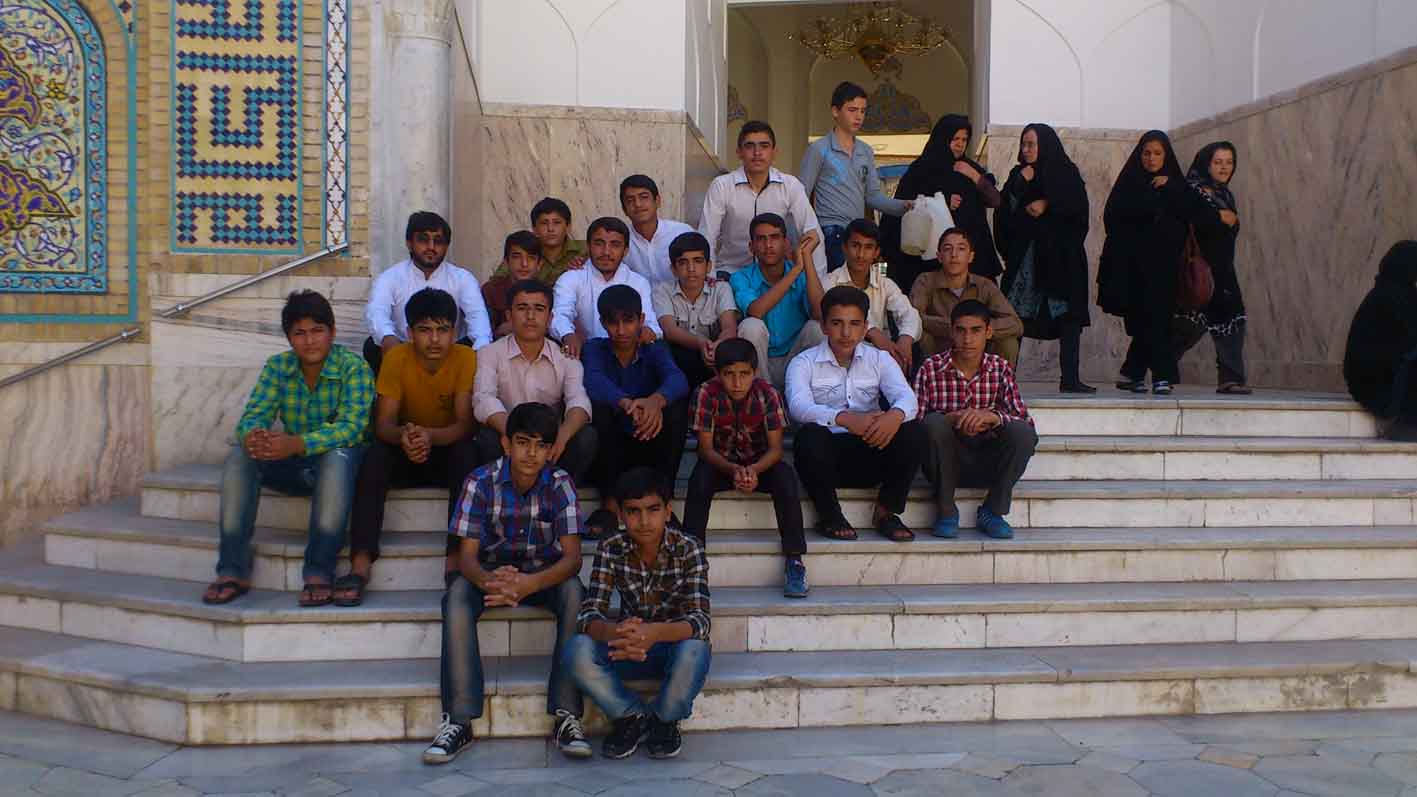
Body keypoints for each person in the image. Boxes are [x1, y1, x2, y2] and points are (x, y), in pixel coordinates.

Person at [423, 403, 590, 764]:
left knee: (575, 592)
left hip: (542, 574)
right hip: (491, 573)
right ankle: (460, 719)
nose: (531, 453)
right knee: (456, 596)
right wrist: (490, 582)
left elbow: (573, 558)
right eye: (523, 442)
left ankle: (567, 715)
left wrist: (529, 584)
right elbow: (466, 558)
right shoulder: (479, 481)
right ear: (506, 444)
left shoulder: (560, 483)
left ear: (551, 450)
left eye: (541, 445)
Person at [202, 290, 373, 607]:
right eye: (300, 333)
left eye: (317, 331)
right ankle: (232, 569)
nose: (310, 341)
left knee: (337, 457)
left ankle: (319, 570)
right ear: (289, 337)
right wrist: (254, 437)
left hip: (339, 468)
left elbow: (353, 428)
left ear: (332, 332)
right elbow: (253, 416)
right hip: (296, 465)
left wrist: (297, 443)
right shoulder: (277, 367)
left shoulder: (353, 368)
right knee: (240, 456)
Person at [565, 467, 712, 761]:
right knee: (576, 649)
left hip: (671, 647)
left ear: (668, 512)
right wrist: (617, 632)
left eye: (653, 510)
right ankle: (630, 716)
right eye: (633, 511)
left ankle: (664, 720)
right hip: (627, 646)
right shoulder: (611, 547)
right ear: (621, 515)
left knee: (696, 649)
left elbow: (700, 620)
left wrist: (654, 633)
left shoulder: (689, 548)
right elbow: (589, 614)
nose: (644, 521)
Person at [345, 288, 480, 605]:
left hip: (445, 449)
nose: (434, 339)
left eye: (443, 330)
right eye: (424, 330)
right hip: (405, 449)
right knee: (374, 457)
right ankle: (360, 563)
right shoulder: (396, 358)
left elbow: (465, 424)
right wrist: (405, 436)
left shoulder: (466, 358)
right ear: (409, 332)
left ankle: (455, 559)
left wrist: (429, 436)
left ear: (454, 332)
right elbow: (383, 424)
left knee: (468, 454)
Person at [787, 285, 925, 543]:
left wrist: (893, 415)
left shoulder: (880, 358)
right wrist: (845, 418)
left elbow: (907, 399)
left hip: (873, 445)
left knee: (913, 430)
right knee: (808, 436)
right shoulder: (803, 362)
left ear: (865, 328)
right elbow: (798, 406)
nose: (846, 333)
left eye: (854, 324)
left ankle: (886, 512)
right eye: (837, 323)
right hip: (828, 458)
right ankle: (830, 516)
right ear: (824, 326)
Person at [1098, 130, 1222, 395]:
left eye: (1157, 153)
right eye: (1146, 153)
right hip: (1134, 268)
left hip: (1168, 269)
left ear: (1166, 156)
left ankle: (1157, 376)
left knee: (1158, 320)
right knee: (1148, 321)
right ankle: (1134, 373)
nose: (1151, 158)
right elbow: (1112, 219)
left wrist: (1173, 187)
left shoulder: (1178, 186)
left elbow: (1207, 217)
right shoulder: (1130, 184)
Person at [683, 338, 808, 597]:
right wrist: (734, 470)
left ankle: (794, 560)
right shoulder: (706, 393)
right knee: (699, 480)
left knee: (785, 477)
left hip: (761, 464)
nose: (737, 382)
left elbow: (776, 449)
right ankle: (691, 562)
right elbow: (705, 449)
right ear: (718, 373)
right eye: (729, 374)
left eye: (744, 374)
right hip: (720, 464)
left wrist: (754, 471)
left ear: (755, 372)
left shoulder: (768, 394)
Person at [915, 300, 1037, 541]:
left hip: (987, 460)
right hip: (944, 463)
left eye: (976, 330)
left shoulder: (1000, 368)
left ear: (988, 332)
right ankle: (946, 510)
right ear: (951, 332)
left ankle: (992, 511)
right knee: (933, 424)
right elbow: (914, 423)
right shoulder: (930, 368)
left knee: (1022, 433)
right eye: (960, 330)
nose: (967, 339)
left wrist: (993, 417)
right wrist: (949, 419)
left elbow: (1026, 423)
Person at [582, 286, 690, 539]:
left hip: (648, 439)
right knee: (599, 408)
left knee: (675, 409)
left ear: (641, 320)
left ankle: (663, 502)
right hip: (611, 446)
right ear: (602, 323)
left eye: (628, 321)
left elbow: (677, 379)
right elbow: (593, 380)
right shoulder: (594, 348)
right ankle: (609, 506)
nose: (621, 330)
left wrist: (655, 402)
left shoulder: (655, 349)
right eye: (613, 322)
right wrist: (626, 403)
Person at [995, 123, 1095, 393]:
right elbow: (1004, 213)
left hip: (1061, 259)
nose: (1026, 150)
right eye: (1024, 144)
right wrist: (1020, 183)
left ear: (1046, 145)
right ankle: (1004, 379)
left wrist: (1048, 204)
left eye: (1032, 144)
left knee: (1068, 317)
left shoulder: (1066, 173)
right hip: (1027, 260)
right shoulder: (1018, 174)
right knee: (1014, 317)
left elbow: (1078, 211)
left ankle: (1070, 379)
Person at [472, 279, 597, 484]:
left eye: (539, 309)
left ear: (550, 318)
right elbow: (483, 399)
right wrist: (513, 434)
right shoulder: (489, 353)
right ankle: (506, 491)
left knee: (586, 437)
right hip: (509, 438)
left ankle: (553, 489)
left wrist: (561, 438)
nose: (530, 316)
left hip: (549, 444)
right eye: (522, 308)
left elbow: (579, 402)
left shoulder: (566, 359)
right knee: (487, 438)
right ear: (509, 316)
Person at [882, 114, 1001, 294]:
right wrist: (940, 202)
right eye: (955, 139)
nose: (960, 144)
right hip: (928, 261)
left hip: (969, 258)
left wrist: (974, 176)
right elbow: (906, 204)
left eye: (964, 140)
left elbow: (995, 200)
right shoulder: (921, 170)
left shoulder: (969, 167)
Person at [798, 81, 911, 272]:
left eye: (863, 111)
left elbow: (872, 196)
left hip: (858, 234)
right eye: (852, 110)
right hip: (830, 231)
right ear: (835, 111)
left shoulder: (865, 151)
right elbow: (801, 195)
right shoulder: (819, 149)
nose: (858, 116)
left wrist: (904, 206)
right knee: (837, 286)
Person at [364, 211, 492, 374]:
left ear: (446, 246)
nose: (431, 247)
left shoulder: (462, 278)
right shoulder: (390, 278)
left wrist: (482, 353)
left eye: (438, 241)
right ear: (409, 243)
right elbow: (377, 312)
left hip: (450, 353)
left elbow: (478, 318)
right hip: (404, 352)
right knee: (372, 345)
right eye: (423, 240)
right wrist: (388, 337)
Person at [699, 121, 826, 275]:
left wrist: (818, 280)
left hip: (776, 276)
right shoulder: (721, 186)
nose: (757, 153)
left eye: (764, 146)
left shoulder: (790, 185)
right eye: (749, 146)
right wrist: (709, 279)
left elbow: (812, 233)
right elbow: (707, 236)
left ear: (774, 152)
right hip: (731, 273)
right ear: (739, 152)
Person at [1173, 142, 1249, 394]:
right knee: (1190, 325)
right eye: (1218, 162)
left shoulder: (1224, 194)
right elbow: (1193, 221)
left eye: (1229, 162)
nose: (1224, 167)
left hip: (1222, 268)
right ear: (1206, 164)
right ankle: (1155, 364)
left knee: (1232, 318)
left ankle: (1231, 378)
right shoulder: (1193, 191)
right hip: (1199, 269)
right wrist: (1220, 217)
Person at [730, 213, 826, 387]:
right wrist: (796, 269)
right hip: (759, 364)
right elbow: (756, 311)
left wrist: (806, 258)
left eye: (774, 237)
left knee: (816, 328)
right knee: (751, 325)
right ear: (751, 247)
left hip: (795, 358)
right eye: (761, 239)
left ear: (786, 243)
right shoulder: (741, 277)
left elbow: (820, 313)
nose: (768, 245)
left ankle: (805, 391)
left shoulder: (801, 275)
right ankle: (764, 394)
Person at [551, 217, 662, 360]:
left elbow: (651, 324)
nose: (606, 252)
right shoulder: (571, 278)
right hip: (585, 354)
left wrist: (648, 331)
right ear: (588, 247)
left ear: (625, 250)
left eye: (615, 245)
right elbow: (560, 315)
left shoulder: (638, 282)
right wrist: (567, 335)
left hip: (629, 355)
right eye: (599, 244)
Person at [911, 228, 1023, 367]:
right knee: (921, 335)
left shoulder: (984, 285)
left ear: (970, 257)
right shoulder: (925, 281)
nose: (954, 255)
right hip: (940, 349)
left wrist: (977, 329)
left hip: (977, 352)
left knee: (1008, 343)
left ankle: (999, 380)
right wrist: (954, 327)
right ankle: (928, 379)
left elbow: (1015, 324)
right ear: (939, 256)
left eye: (961, 249)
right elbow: (914, 318)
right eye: (948, 249)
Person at [823, 218, 921, 374]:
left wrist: (906, 339)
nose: (861, 255)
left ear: (876, 253)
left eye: (868, 247)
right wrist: (873, 333)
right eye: (855, 246)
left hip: (879, 358)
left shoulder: (885, 283)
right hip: (842, 356)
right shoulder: (830, 282)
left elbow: (909, 314)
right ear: (844, 248)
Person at [1344, 241, 1417, 440]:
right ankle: (1406, 425)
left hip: (1389, 376)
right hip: (1377, 385)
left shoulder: (1402, 295)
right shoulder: (1389, 298)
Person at [653, 231, 739, 391]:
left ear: (709, 266)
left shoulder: (721, 288)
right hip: (679, 358)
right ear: (673, 269)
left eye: (698, 261)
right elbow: (670, 330)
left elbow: (729, 327)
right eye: (683, 262)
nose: (691, 269)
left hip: (714, 354)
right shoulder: (662, 291)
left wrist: (716, 346)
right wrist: (701, 343)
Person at [620, 174, 696, 286]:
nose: (638, 204)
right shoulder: (619, 240)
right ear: (624, 209)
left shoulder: (682, 232)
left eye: (644, 197)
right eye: (630, 200)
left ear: (657, 201)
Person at [491, 198, 587, 286]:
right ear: (534, 229)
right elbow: (496, 283)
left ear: (568, 226)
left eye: (557, 223)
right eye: (544, 223)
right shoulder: (524, 251)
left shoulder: (585, 250)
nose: (550, 229)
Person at [481, 230, 542, 340]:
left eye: (531, 258)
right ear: (506, 262)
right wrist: (500, 330)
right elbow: (482, 333)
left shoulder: (547, 293)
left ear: (539, 265)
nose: (524, 264)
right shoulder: (490, 291)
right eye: (517, 257)